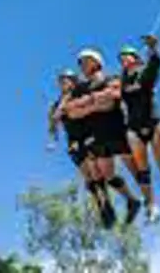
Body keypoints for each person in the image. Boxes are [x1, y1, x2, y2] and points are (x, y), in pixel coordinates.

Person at [119, 34, 160, 222]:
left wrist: (153, 48)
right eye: (121, 58)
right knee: (143, 171)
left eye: (127, 56)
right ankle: (152, 205)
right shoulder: (122, 81)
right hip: (134, 127)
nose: (124, 60)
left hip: (153, 123)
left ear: (136, 59)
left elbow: (155, 65)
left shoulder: (145, 74)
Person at [76, 48, 142, 227]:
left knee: (137, 170)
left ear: (97, 62)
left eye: (85, 61)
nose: (81, 65)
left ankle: (151, 201)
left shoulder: (111, 78)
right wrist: (94, 102)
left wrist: (88, 104)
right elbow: (74, 111)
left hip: (117, 130)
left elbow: (113, 98)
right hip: (98, 134)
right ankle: (132, 200)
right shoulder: (82, 88)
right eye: (80, 63)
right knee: (108, 175)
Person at [47, 69, 109, 220]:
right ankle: (99, 206)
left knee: (94, 169)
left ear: (73, 81)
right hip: (73, 141)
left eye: (66, 80)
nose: (63, 83)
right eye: (61, 81)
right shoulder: (56, 105)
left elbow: (93, 88)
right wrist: (53, 140)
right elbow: (52, 126)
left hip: (88, 135)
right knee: (87, 176)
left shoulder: (79, 92)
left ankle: (106, 200)